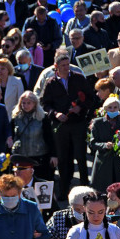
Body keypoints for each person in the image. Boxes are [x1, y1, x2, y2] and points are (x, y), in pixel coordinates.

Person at [40, 54, 94, 199]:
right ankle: (64, 190)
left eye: (68, 64)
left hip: (78, 123)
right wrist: (55, 114)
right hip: (61, 125)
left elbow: (90, 97)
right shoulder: (51, 82)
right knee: (63, 158)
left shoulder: (78, 78)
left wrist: (81, 108)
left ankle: (85, 188)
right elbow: (45, 104)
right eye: (63, 65)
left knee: (80, 156)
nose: (66, 67)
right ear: (56, 67)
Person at [89, 96, 120, 193]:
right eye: (110, 107)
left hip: (119, 163)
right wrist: (105, 145)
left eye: (115, 107)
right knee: (102, 192)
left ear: (119, 108)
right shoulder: (98, 122)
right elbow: (92, 143)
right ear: (105, 108)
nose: (112, 109)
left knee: (119, 192)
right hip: (103, 162)